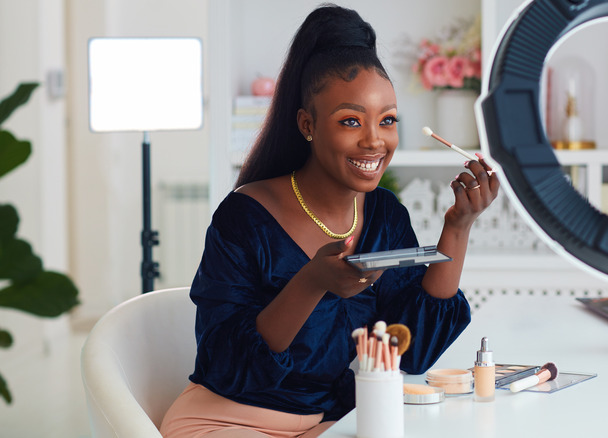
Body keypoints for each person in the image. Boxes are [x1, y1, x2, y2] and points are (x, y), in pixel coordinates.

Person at [160, 4, 499, 437]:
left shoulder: (383, 215)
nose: (374, 140)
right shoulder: (245, 218)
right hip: (225, 422)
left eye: (388, 120)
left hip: (328, 424)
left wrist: (458, 225)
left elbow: (412, 351)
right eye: (351, 121)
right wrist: (311, 282)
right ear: (308, 124)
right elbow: (226, 366)